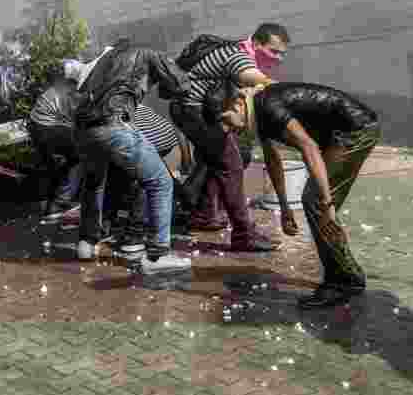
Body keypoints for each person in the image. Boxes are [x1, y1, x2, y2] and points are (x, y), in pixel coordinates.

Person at [205, 80, 380, 308]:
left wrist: (327, 204)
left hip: (356, 129)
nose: (227, 129)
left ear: (238, 104)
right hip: (341, 131)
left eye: (226, 120)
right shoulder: (258, 113)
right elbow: (273, 160)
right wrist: (285, 209)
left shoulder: (267, 107)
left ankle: (344, 282)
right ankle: (347, 276)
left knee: (315, 201)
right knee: (315, 201)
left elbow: (308, 147)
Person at [72, 41, 193, 274]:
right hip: (113, 122)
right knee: (160, 181)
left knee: (94, 182)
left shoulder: (104, 61)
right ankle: (158, 256)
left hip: (81, 128)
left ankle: (86, 244)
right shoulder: (151, 52)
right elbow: (180, 85)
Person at [170, 24, 290, 250]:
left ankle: (205, 215)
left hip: (195, 111)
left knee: (219, 161)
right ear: (256, 44)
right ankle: (244, 235)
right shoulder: (238, 55)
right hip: (193, 110)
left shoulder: (238, 52)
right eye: (274, 51)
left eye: (283, 53)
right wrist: (288, 91)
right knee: (231, 164)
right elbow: (253, 77)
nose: (279, 58)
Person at [105, 103, 194, 258]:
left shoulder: (115, 111)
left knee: (141, 181)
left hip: (151, 138)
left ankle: (136, 234)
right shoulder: (121, 104)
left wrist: (186, 158)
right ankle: (185, 206)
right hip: (153, 136)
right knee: (153, 178)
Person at [28, 63, 82, 222]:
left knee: (60, 163)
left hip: (38, 127)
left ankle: (53, 204)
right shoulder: (70, 92)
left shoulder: (57, 87)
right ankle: (61, 203)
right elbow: (74, 120)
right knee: (81, 155)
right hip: (48, 128)